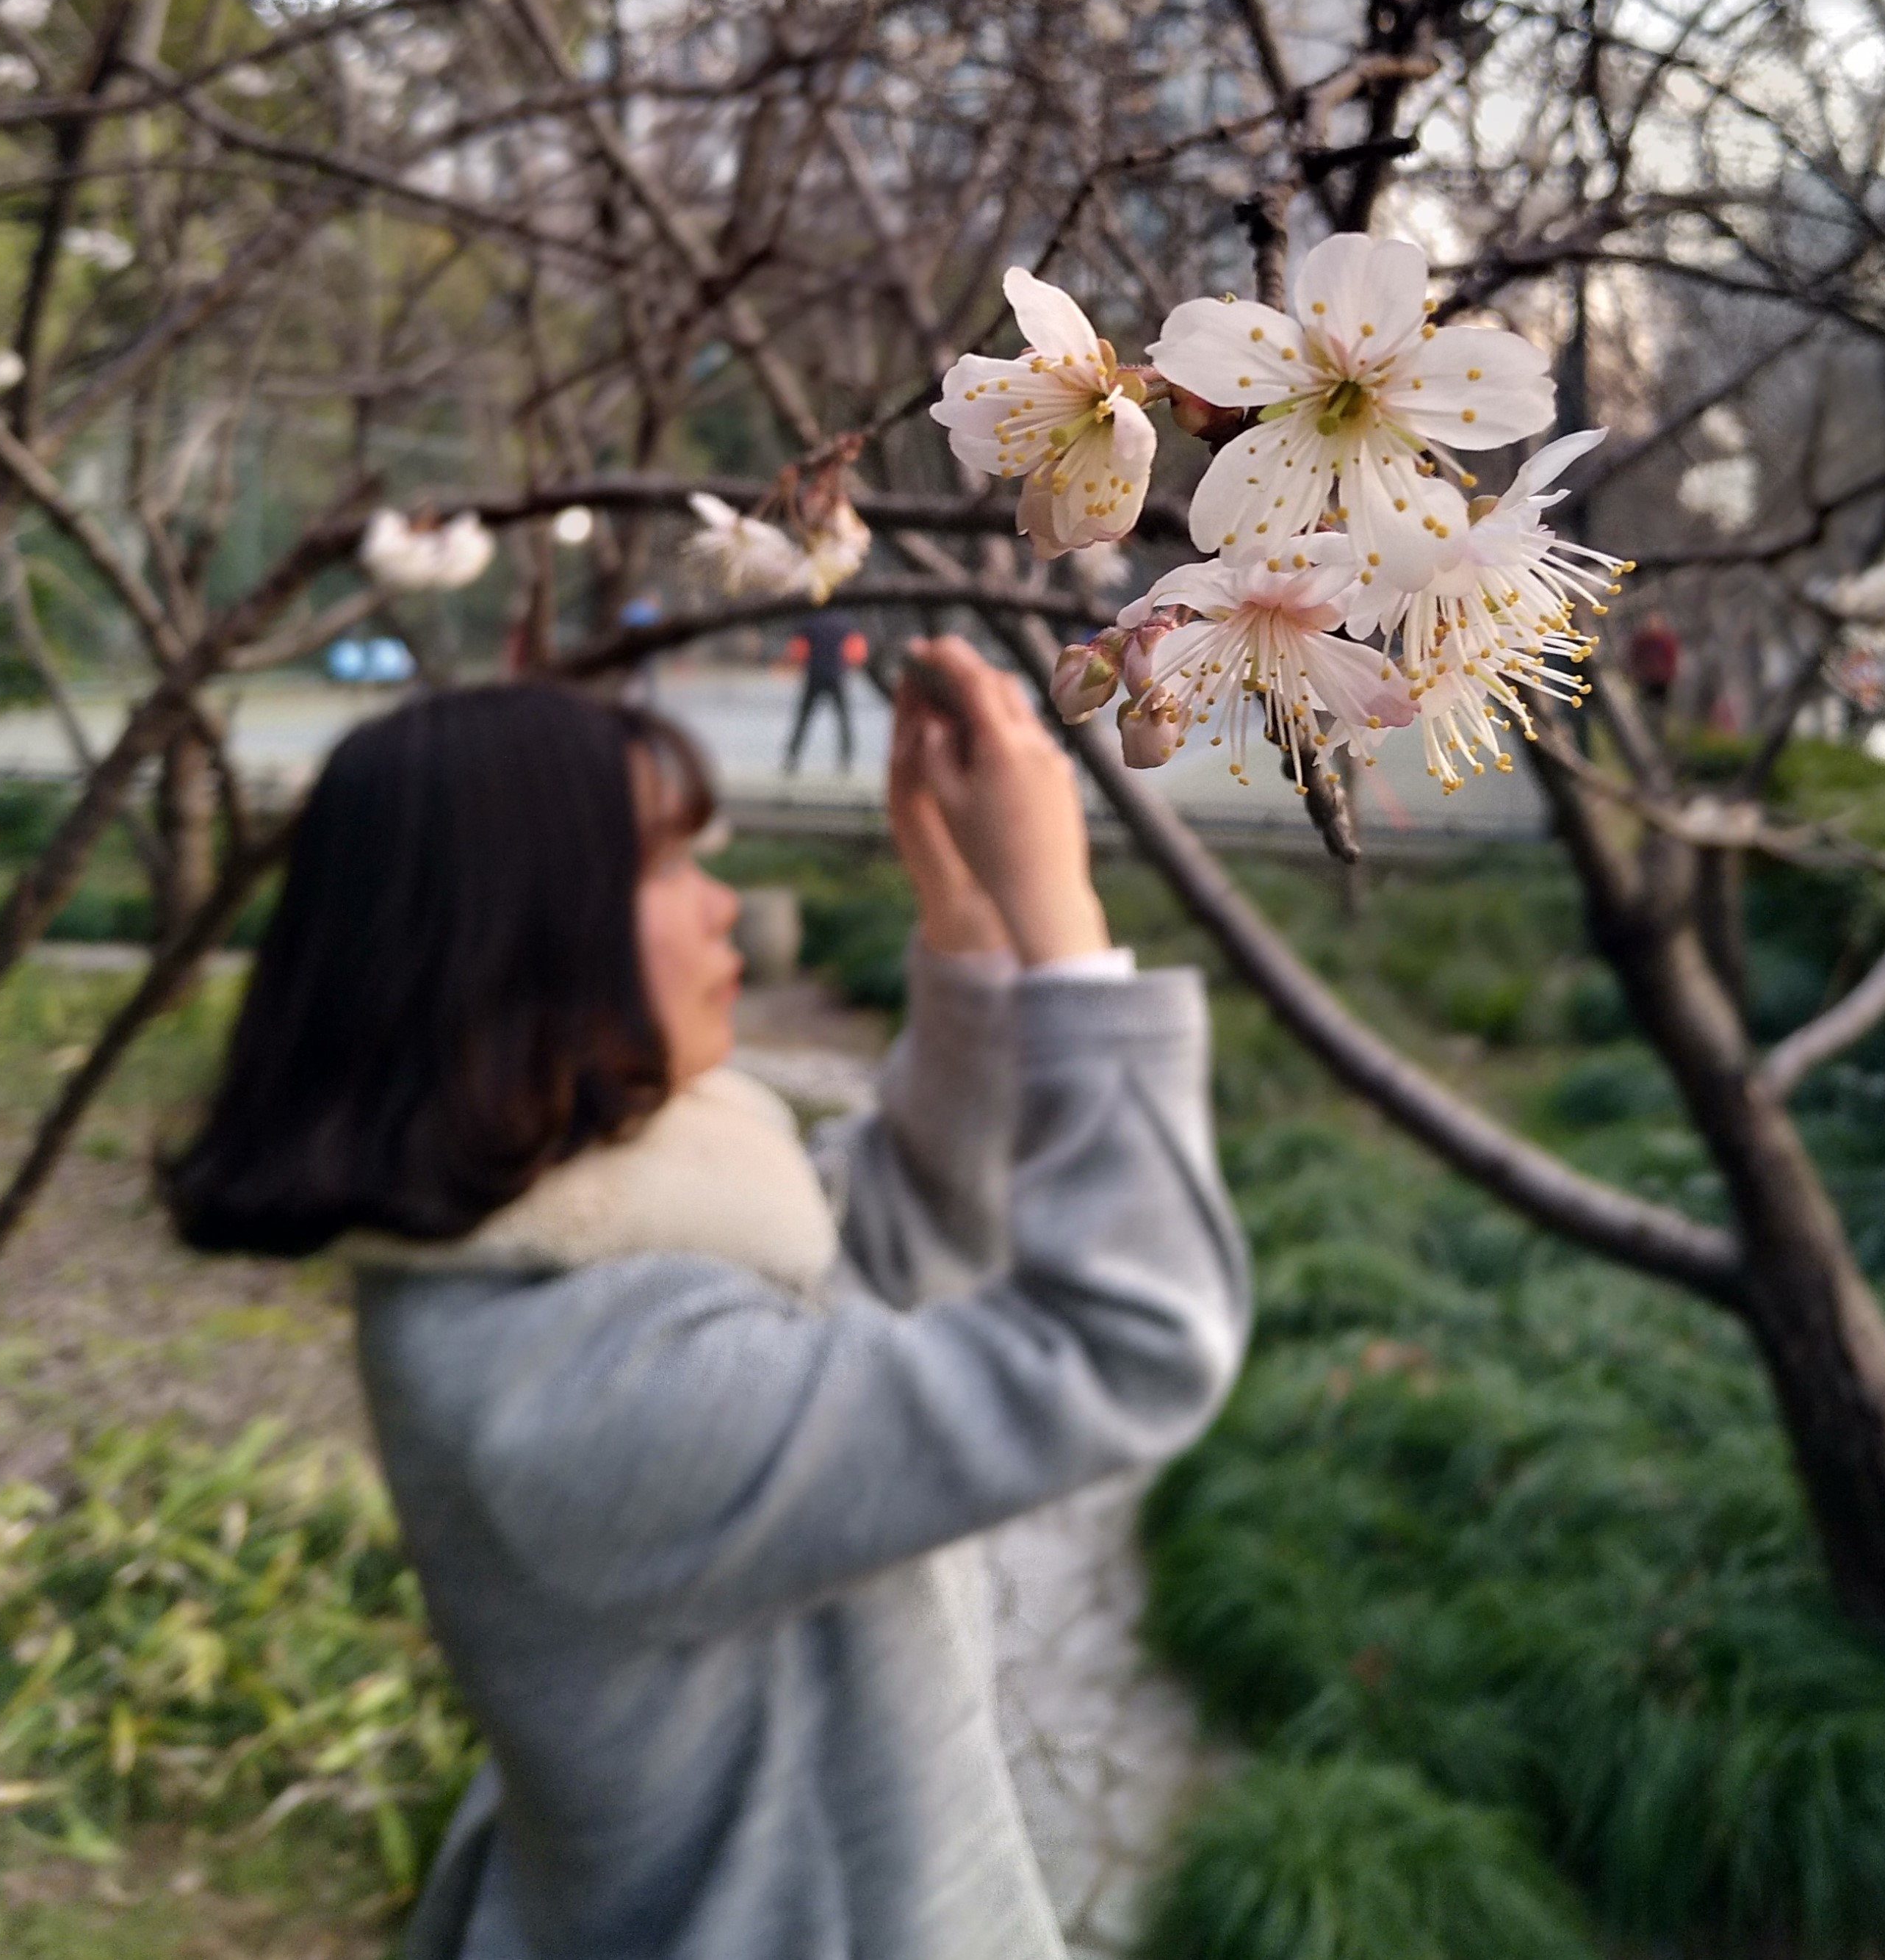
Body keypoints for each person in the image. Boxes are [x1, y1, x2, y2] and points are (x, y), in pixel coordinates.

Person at [161, 639, 1247, 1960]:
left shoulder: (562, 1238)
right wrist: (1065, 941)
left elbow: (883, 1254)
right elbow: (1119, 1344)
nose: (725, 905)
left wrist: (967, 922)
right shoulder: (582, 1397)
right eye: (670, 865)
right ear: (518, 941)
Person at [781, 608, 865, 773]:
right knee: (843, 720)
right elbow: (857, 650)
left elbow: (797, 649)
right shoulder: (845, 621)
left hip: (815, 674)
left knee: (804, 719)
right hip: (837, 675)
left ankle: (792, 758)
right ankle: (846, 759)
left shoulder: (811, 621)